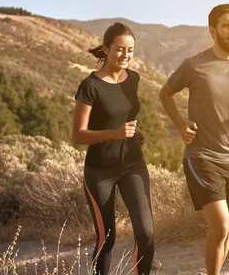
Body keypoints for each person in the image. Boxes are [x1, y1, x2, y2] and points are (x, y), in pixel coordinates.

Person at [159, 3, 229, 275]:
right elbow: (165, 93)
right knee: (220, 226)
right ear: (213, 31)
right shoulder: (194, 65)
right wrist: (180, 124)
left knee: (228, 228)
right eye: (226, 25)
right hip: (202, 156)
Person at [72, 22, 154, 275]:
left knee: (147, 233)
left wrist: (134, 131)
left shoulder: (134, 79)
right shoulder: (90, 86)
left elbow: (123, 113)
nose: (125, 56)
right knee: (107, 238)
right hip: (100, 171)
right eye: (119, 49)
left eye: (130, 50)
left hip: (133, 164)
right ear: (106, 49)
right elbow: (78, 135)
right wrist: (115, 134)